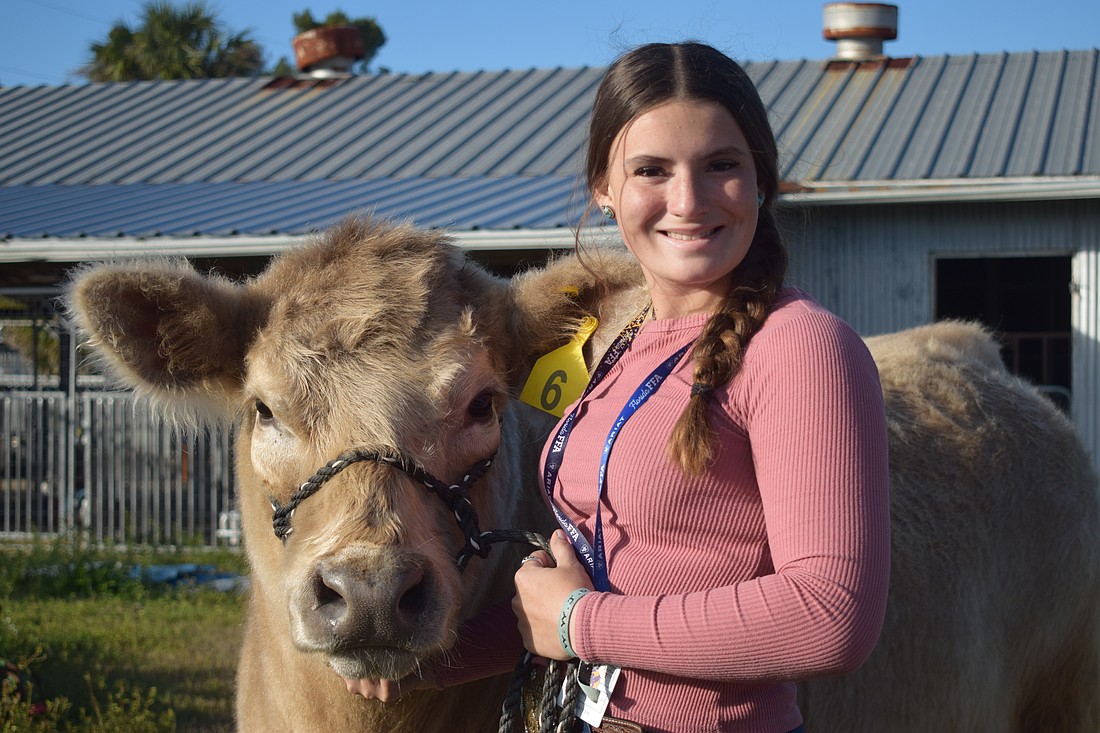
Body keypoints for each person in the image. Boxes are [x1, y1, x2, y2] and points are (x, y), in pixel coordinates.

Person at [346, 41, 890, 733]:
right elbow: (593, 596)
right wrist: (421, 655)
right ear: (605, 188)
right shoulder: (626, 348)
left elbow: (831, 615)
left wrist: (580, 621)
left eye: (721, 164)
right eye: (651, 170)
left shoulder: (800, 345)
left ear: (761, 178)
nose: (688, 200)